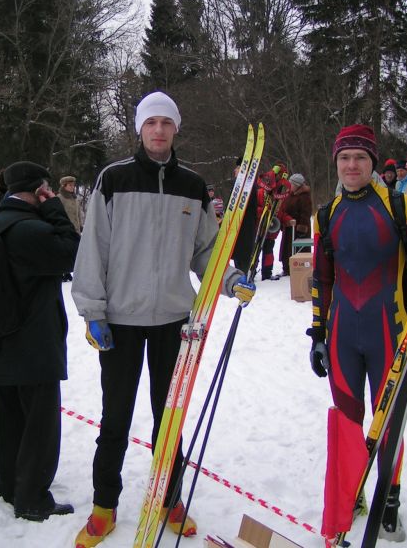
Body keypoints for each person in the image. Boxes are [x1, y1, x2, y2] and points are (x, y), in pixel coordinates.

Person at [71, 91, 255, 547]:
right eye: (151, 122)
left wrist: (230, 279)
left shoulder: (192, 186)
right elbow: (94, 248)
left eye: (166, 123)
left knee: (167, 415)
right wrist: (93, 312)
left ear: (176, 129)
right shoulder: (113, 179)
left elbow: (206, 250)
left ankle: (169, 498)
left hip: (175, 320)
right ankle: (103, 507)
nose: (158, 130)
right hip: (121, 320)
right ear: (140, 128)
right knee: (115, 417)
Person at [309, 124, 407, 542]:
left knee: (389, 419)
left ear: (373, 163)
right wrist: (318, 333)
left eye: (360, 157)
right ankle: (352, 492)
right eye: (344, 158)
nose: (352, 165)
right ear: (336, 163)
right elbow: (322, 280)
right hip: (343, 335)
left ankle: (388, 498)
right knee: (346, 419)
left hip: (390, 333)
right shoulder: (326, 215)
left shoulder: (401, 207)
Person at [0, 160, 79, 522]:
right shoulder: (30, 229)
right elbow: (72, 251)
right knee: (39, 423)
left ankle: (8, 483)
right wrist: (54, 208)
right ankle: (32, 496)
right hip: (34, 343)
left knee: (8, 417)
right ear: (38, 190)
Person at [277, 173, 312, 276]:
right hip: (289, 227)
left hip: (298, 229)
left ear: (297, 185)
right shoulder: (289, 194)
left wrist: (301, 229)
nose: (289, 185)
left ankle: (298, 269)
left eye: (291, 184)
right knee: (286, 249)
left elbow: (306, 214)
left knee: (298, 250)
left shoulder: (304, 197)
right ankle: (287, 268)